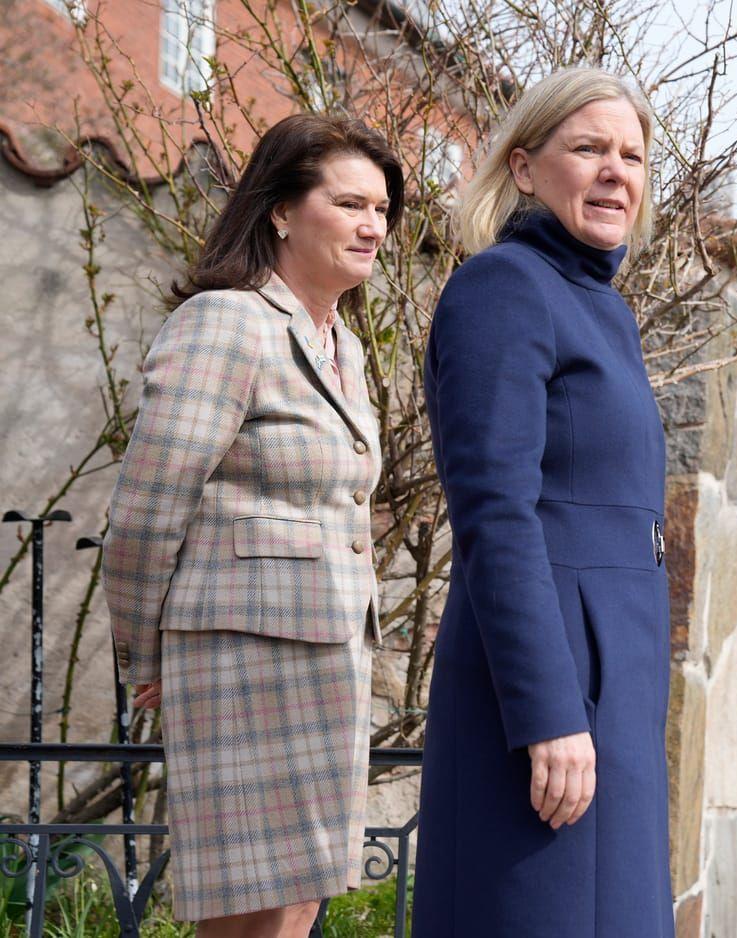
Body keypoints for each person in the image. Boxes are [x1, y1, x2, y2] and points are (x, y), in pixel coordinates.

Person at [101, 114, 400, 935]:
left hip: (328, 660)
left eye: (381, 208)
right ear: (280, 209)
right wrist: (145, 653)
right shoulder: (226, 322)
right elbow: (146, 507)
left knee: (299, 899)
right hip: (241, 659)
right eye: (349, 203)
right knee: (247, 915)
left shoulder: (344, 345)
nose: (373, 225)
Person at [414, 67, 671, 937]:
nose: (616, 172)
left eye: (632, 155)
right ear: (523, 168)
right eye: (589, 148)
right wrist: (549, 714)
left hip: (614, 681)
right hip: (552, 687)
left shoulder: (604, 306)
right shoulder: (505, 286)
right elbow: (495, 511)